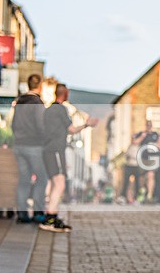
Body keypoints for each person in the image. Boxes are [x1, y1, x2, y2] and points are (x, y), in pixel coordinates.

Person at [40, 84, 98, 232]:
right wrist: (87, 125)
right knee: (60, 184)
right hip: (56, 150)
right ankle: (50, 219)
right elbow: (71, 129)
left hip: (47, 149)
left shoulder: (47, 110)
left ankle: (50, 216)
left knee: (54, 183)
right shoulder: (61, 109)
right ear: (65, 94)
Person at [11, 74, 48, 224]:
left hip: (18, 145)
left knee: (24, 180)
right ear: (40, 86)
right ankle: (38, 213)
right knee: (42, 178)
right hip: (34, 146)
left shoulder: (19, 102)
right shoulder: (37, 103)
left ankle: (22, 214)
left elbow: (13, 125)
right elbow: (41, 125)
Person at [132, 120, 160, 203]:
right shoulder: (141, 133)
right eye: (147, 125)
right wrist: (142, 137)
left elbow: (159, 144)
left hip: (152, 159)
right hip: (142, 158)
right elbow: (134, 142)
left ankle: (149, 194)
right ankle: (142, 191)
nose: (149, 126)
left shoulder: (155, 135)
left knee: (151, 175)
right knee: (141, 177)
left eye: (150, 125)